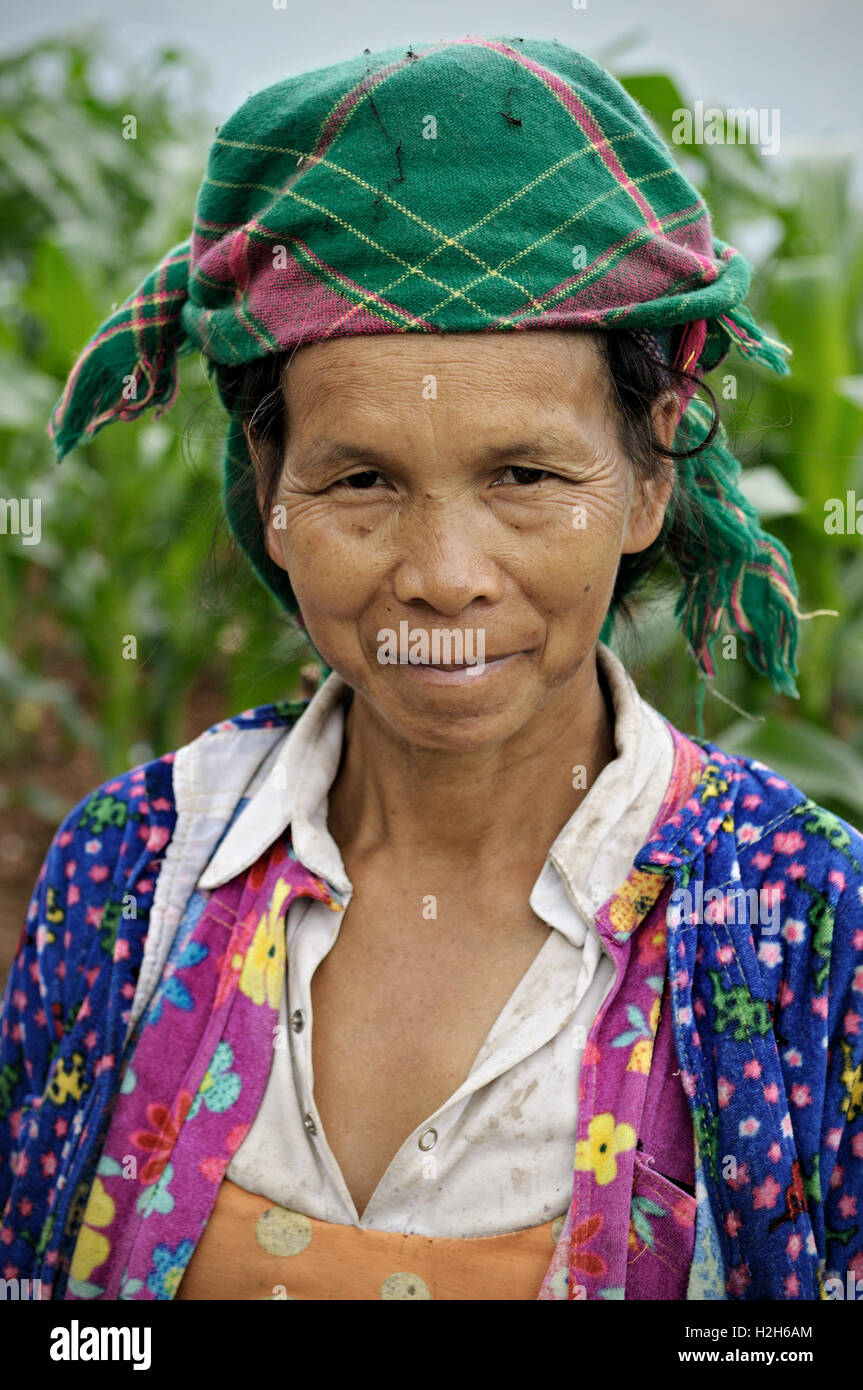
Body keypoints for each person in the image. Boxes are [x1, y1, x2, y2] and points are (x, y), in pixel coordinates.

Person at [1, 35, 861, 1303]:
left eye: (521, 475)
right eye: (361, 480)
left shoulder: (802, 925)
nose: (442, 574)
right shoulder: (127, 876)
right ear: (269, 491)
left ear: (647, 479)